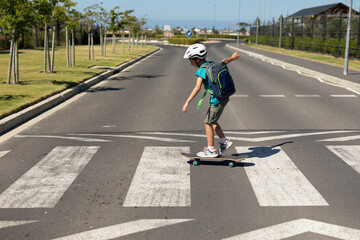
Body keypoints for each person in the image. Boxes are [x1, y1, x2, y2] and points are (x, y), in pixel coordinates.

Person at [182, 43, 240, 157]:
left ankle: (211, 149)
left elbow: (197, 87)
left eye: (191, 61)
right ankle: (224, 141)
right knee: (212, 121)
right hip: (223, 97)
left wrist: (187, 102)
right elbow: (223, 61)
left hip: (216, 100)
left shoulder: (201, 71)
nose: (190, 63)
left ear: (197, 59)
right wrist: (232, 58)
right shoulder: (212, 64)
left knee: (208, 123)